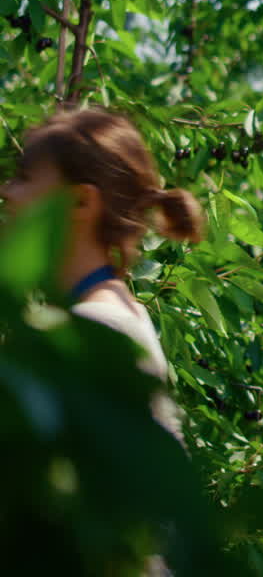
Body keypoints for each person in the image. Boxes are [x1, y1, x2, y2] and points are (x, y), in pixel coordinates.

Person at [1, 107, 203, 447]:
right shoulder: (103, 318)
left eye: (24, 177)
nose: (6, 190)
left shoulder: (94, 332)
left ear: (81, 201)